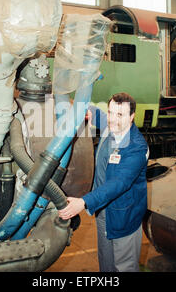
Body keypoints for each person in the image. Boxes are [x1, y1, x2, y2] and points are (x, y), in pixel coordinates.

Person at [58, 92, 149, 272]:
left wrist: (84, 202)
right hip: (103, 213)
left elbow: (119, 183)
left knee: (124, 266)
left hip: (124, 216)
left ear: (132, 117)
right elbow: (94, 112)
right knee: (106, 264)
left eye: (120, 115)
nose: (113, 119)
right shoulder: (111, 128)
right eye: (111, 113)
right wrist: (84, 109)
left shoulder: (136, 147)